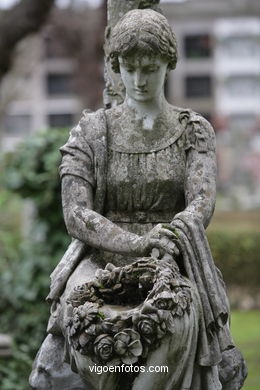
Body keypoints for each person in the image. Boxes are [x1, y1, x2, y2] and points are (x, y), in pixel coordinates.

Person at [30, 9, 247, 390]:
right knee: (83, 315)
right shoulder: (93, 131)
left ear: (169, 64)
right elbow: (76, 213)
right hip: (99, 257)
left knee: (179, 312)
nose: (139, 79)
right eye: (129, 68)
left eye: (150, 68)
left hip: (170, 252)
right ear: (116, 66)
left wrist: (172, 233)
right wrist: (135, 243)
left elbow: (201, 200)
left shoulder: (193, 130)